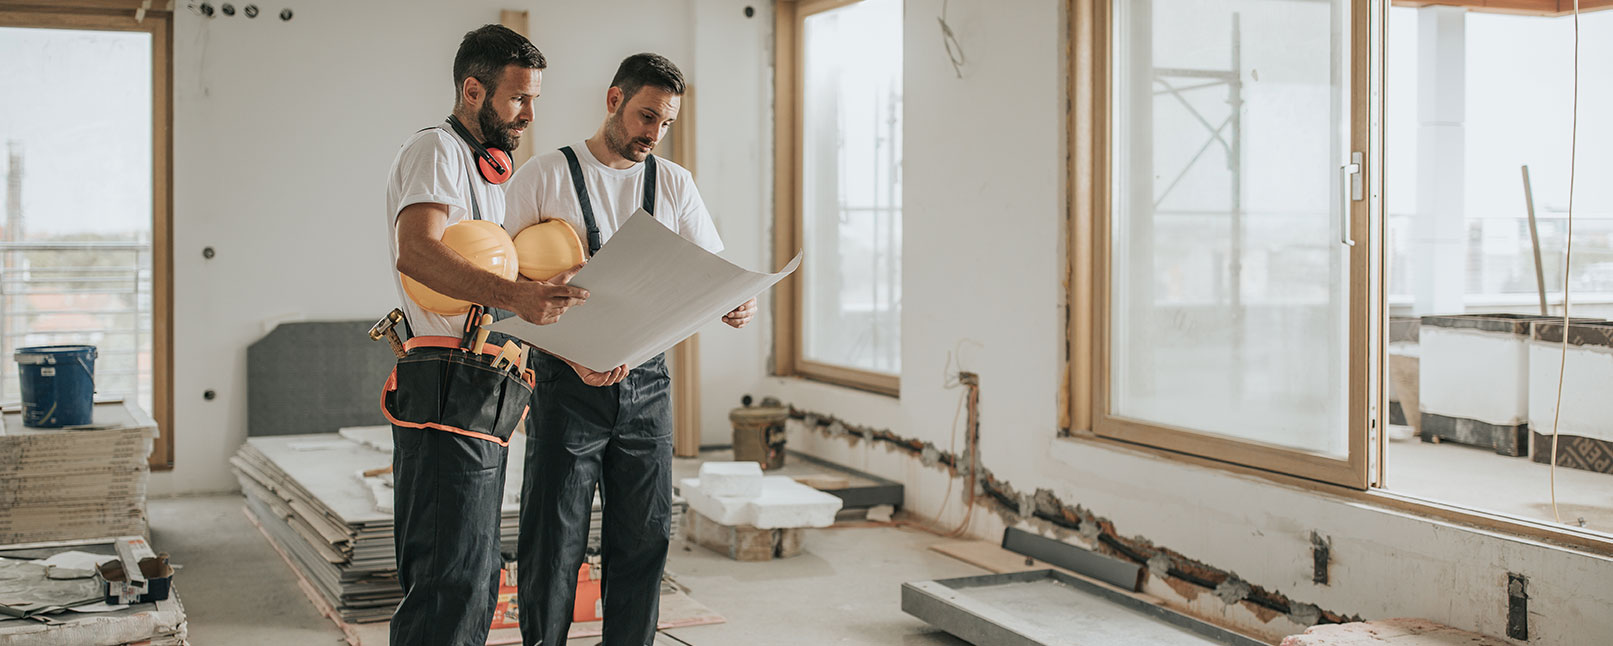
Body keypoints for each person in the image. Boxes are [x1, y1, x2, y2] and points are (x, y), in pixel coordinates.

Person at [504, 52, 757, 646]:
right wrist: (572, 355)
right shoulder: (543, 176)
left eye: (665, 123)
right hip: (565, 385)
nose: (654, 134)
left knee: (645, 538)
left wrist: (734, 300)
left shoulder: (673, 182)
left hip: (647, 386)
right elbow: (505, 293)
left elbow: (709, 269)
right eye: (647, 117)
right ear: (613, 100)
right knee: (553, 541)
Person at [382, 24, 587, 646]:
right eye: (519, 98)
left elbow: (488, 268)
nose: (528, 114)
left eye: (535, 100)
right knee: (449, 576)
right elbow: (416, 254)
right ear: (474, 90)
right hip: (444, 377)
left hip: (478, 380)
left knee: (473, 573)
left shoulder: (485, 174)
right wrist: (517, 295)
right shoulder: (437, 151)